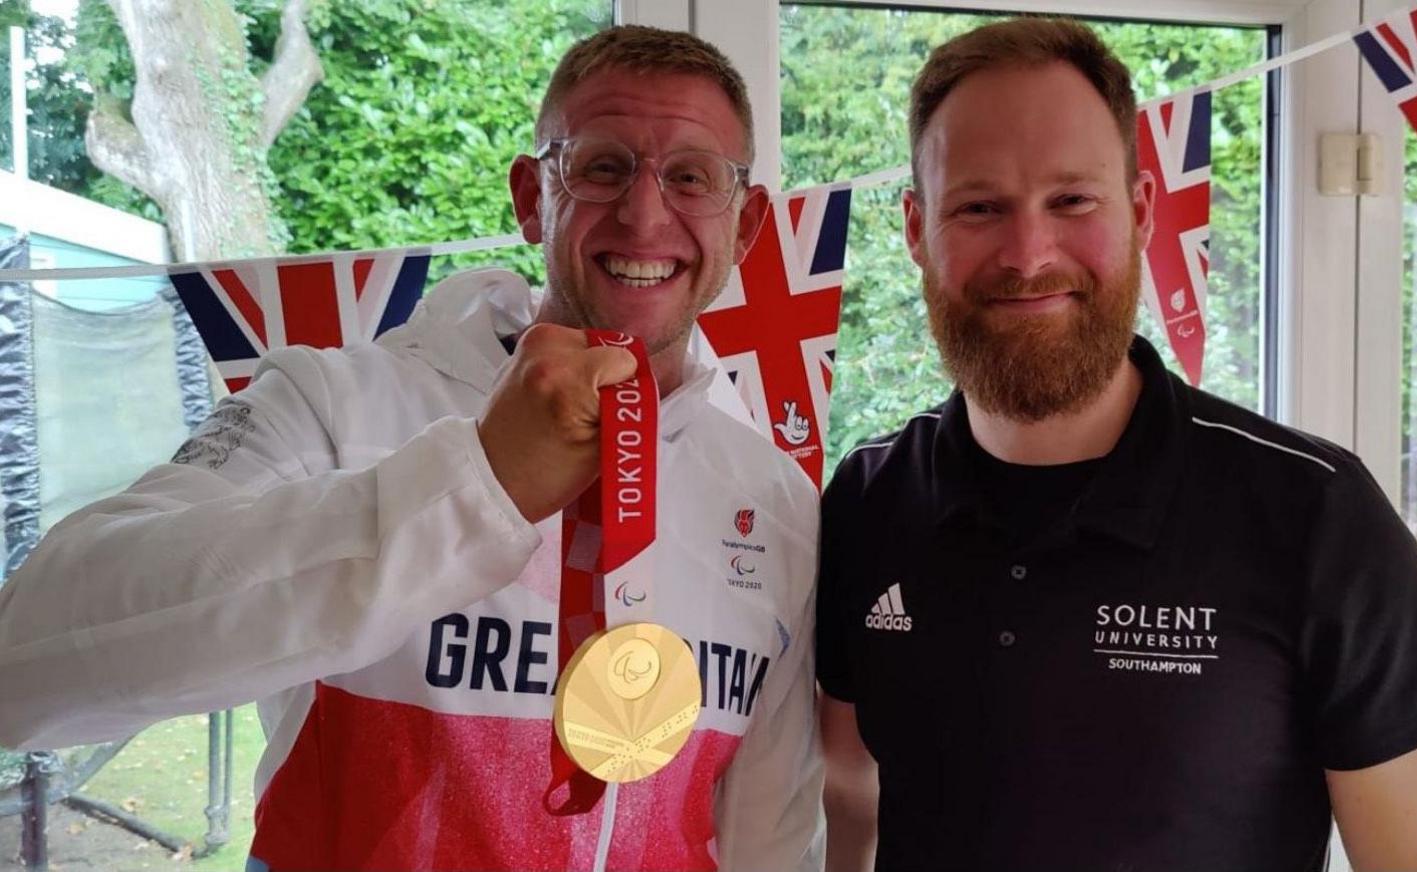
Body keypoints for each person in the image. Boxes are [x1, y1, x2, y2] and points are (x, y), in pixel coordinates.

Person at [0, 26, 823, 872]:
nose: (646, 214)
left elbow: (769, 836)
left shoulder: (777, 502)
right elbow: (26, 657)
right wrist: (475, 489)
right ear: (533, 196)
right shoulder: (334, 404)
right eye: (602, 166)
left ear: (747, 223)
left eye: (691, 177)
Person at [817, 17, 1417, 872]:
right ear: (917, 230)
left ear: (1139, 211)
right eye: (979, 206)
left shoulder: (1316, 514)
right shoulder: (870, 500)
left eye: (1072, 201)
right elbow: (850, 796)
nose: (1029, 254)